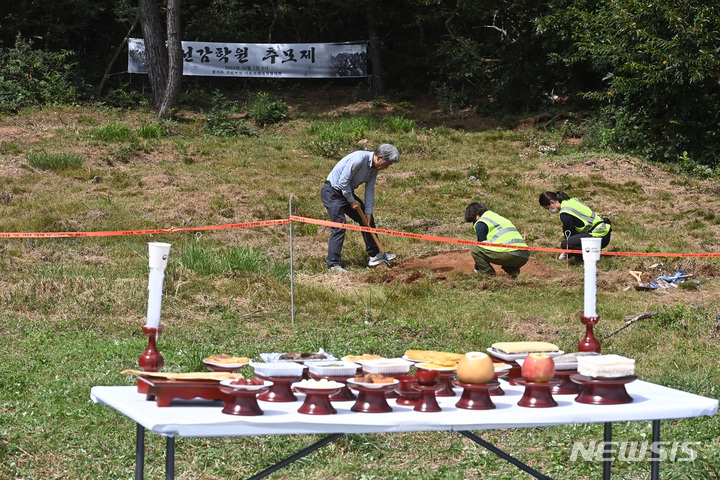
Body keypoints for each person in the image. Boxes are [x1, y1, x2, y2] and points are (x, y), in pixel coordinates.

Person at [321, 144, 400, 272]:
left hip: (347, 192)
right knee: (339, 226)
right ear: (379, 158)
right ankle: (333, 264)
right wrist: (351, 201)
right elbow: (342, 182)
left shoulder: (374, 169)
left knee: (367, 220)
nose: (387, 167)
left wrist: (368, 212)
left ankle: (374, 255)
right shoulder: (358, 159)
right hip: (332, 192)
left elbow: (369, 190)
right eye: (388, 164)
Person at [538, 191, 612, 262]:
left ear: (552, 202)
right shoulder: (571, 201)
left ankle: (592, 257)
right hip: (604, 232)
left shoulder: (565, 213)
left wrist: (567, 250)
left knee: (565, 244)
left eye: (548, 208)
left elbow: (569, 234)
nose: (549, 210)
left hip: (599, 237)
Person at [464, 202, 530, 278]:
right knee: (500, 249)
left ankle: (489, 276)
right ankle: (513, 273)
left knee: (476, 250)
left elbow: (481, 246)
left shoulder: (481, 223)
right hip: (524, 255)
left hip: (510, 254)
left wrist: (477, 269)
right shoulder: (497, 217)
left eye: (473, 220)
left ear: (477, 216)